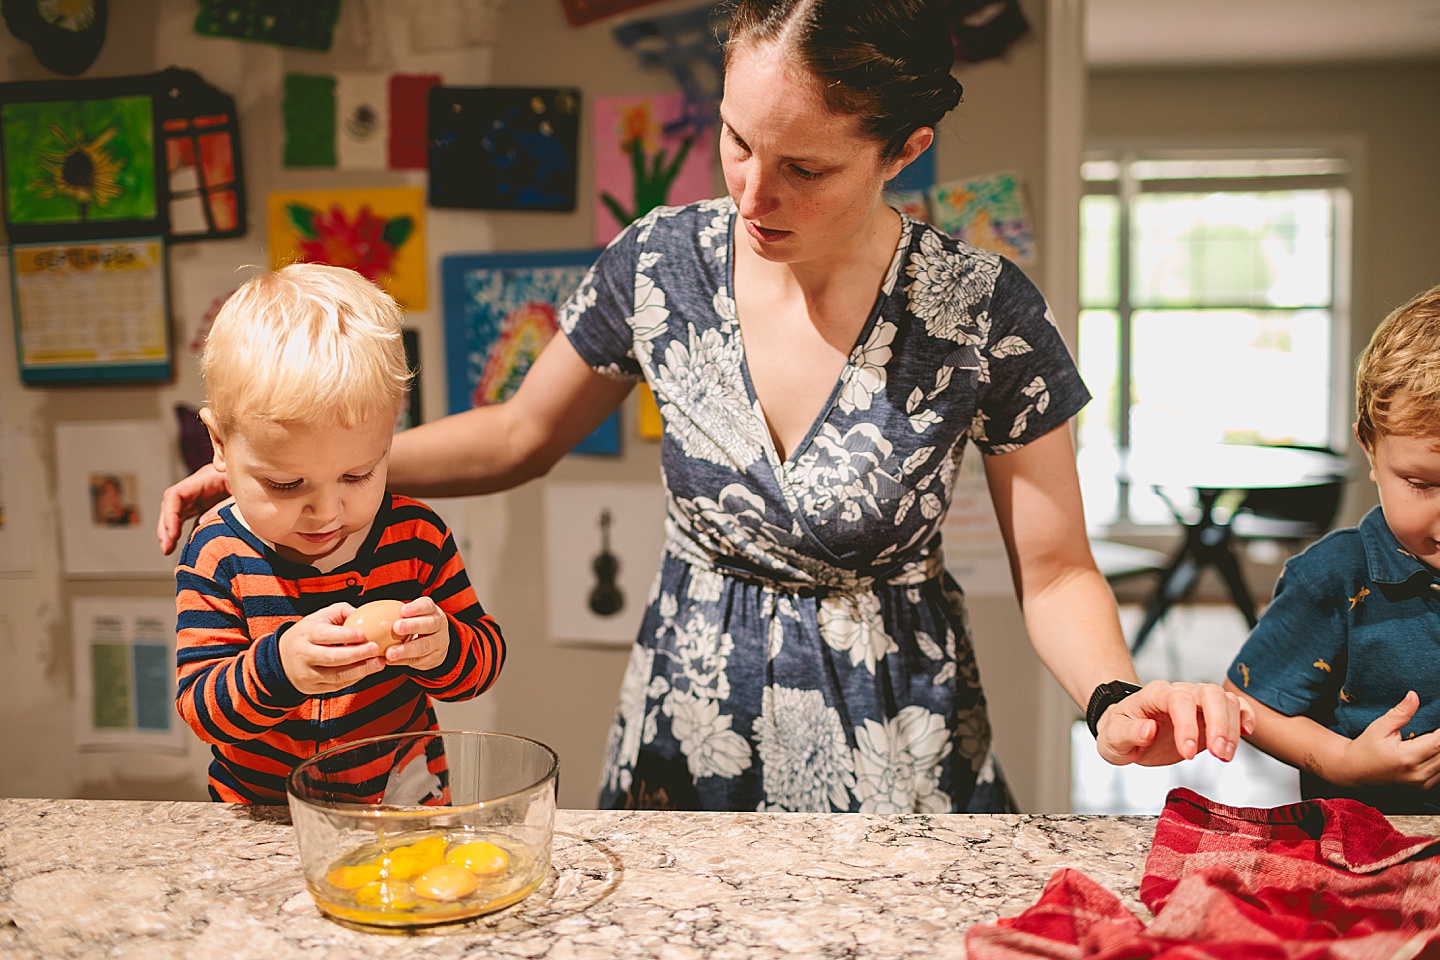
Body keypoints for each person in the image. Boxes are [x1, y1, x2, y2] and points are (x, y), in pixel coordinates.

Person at [160, 0, 1251, 813]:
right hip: (687, 715)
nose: (750, 193)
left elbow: (1055, 568)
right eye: (735, 139)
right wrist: (318, 479)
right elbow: (516, 435)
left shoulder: (981, 314)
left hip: (893, 726)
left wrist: (1113, 697)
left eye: (804, 167)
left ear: (905, 152)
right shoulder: (660, 264)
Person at [173, 263, 506, 803]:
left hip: (402, 806)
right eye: (285, 484)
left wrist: (446, 648)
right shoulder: (219, 553)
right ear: (218, 444)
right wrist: (278, 668)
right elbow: (202, 708)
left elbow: (483, 659)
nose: (327, 512)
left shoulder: (415, 538)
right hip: (265, 816)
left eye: (357, 475)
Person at [1223, 285, 1440, 814]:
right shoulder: (1336, 577)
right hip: (1367, 859)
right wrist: (1343, 761)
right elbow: (1246, 702)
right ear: (1370, 448)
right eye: (1420, 483)